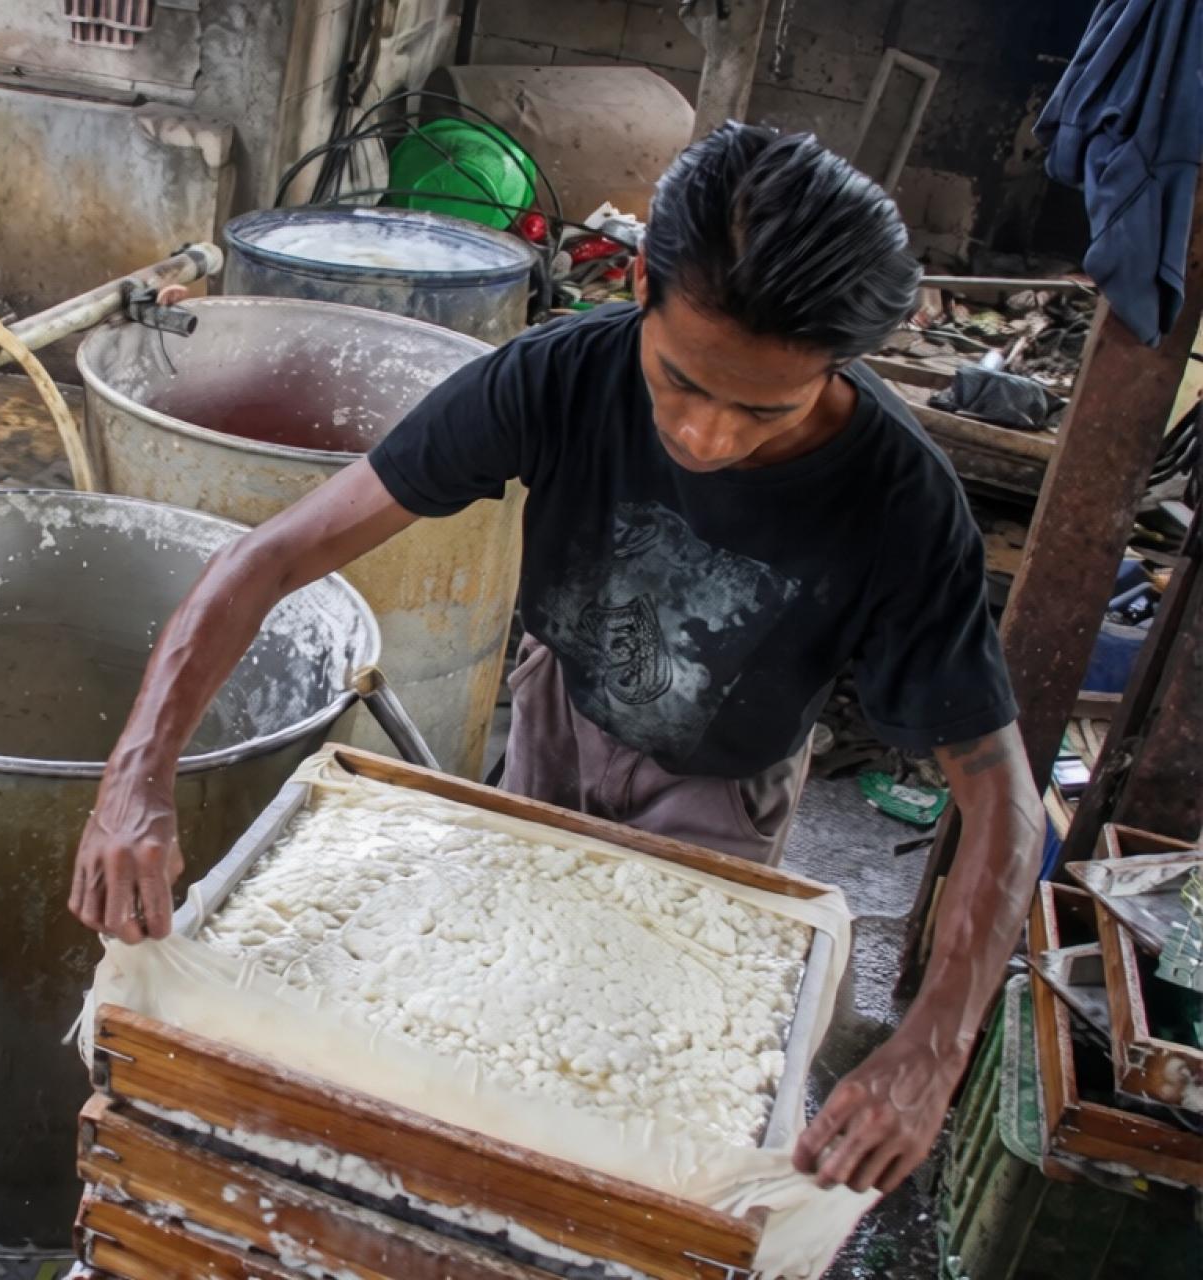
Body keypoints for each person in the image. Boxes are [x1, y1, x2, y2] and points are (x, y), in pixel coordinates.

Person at [67, 124, 1045, 1198]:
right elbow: (270, 557)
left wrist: (938, 1040)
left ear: (838, 365)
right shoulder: (555, 378)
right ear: (637, 283)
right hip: (556, 713)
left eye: (766, 409)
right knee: (491, 1013)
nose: (709, 436)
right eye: (682, 381)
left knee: (646, 1074)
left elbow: (1001, 796)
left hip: (724, 779)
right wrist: (136, 775)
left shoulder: (903, 506)